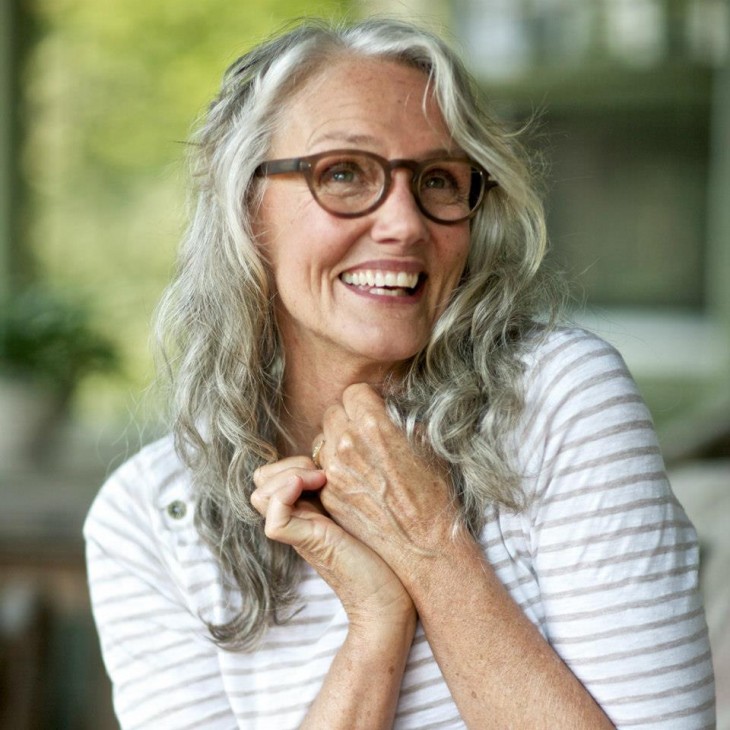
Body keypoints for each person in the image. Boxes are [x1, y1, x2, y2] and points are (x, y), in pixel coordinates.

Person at [84, 17, 716, 729]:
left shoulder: (557, 398)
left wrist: (431, 547)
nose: (406, 224)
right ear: (246, 207)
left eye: (440, 180)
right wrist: (376, 620)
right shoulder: (147, 516)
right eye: (345, 174)